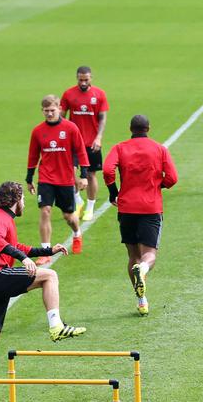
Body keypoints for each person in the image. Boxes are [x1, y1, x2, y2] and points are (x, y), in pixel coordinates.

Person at [0, 182, 86, 402]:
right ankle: (56, 326)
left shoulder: (3, 219)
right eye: (23, 199)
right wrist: (24, 260)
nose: (24, 203)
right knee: (49, 276)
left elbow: (15, 246)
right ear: (15, 200)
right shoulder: (0, 219)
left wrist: (46, 250)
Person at [103, 114, 179, 316]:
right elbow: (172, 178)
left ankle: (141, 300)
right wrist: (158, 184)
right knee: (149, 255)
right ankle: (143, 270)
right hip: (150, 208)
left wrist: (113, 192)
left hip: (127, 208)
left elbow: (107, 169)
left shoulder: (120, 147)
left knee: (132, 256)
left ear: (131, 128)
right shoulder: (160, 149)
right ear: (148, 128)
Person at [28, 95, 89, 260]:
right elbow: (33, 155)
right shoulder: (38, 131)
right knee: (45, 211)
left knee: (69, 216)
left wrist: (84, 175)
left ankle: (77, 233)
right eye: (46, 111)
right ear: (42, 111)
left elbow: (81, 151)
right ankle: (46, 252)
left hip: (65, 179)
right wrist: (29, 178)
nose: (49, 114)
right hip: (46, 178)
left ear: (60, 109)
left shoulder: (70, 128)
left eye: (52, 110)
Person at [61, 65, 109, 221]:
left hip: (91, 143)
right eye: (80, 80)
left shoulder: (99, 94)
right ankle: (78, 200)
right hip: (73, 143)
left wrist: (99, 137)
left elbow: (102, 118)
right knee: (69, 173)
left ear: (91, 78)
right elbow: (61, 117)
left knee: (91, 175)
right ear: (77, 78)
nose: (83, 83)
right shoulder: (68, 94)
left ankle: (90, 207)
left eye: (86, 80)